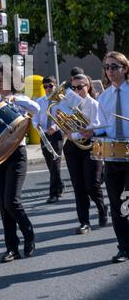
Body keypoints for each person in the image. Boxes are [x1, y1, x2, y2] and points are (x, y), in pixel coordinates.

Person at [0, 63, 40, 262]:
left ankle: (29, 234)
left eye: (3, 80)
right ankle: (11, 248)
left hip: (17, 153)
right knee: (2, 202)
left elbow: (37, 107)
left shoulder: (20, 99)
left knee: (12, 201)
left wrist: (15, 99)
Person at [62, 74, 108, 235]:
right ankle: (84, 222)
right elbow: (60, 122)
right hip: (72, 149)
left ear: (88, 86)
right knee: (78, 187)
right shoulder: (67, 104)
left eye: (80, 87)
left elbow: (94, 127)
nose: (77, 90)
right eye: (73, 87)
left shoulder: (94, 104)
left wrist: (74, 134)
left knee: (92, 185)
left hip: (91, 146)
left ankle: (102, 209)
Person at [96, 52, 129, 263]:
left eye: (114, 66)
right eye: (107, 67)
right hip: (112, 158)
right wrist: (90, 132)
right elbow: (102, 127)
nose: (110, 71)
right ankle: (124, 248)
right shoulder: (104, 96)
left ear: (125, 69)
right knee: (117, 205)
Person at [32, 76, 65, 203]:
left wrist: (55, 127)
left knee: (55, 163)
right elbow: (34, 118)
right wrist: (37, 125)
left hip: (57, 135)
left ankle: (53, 193)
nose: (47, 89)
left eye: (50, 86)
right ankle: (60, 185)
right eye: (45, 86)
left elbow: (65, 118)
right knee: (50, 164)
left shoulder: (61, 101)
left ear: (55, 86)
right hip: (44, 135)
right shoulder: (39, 101)